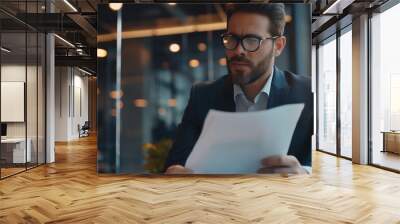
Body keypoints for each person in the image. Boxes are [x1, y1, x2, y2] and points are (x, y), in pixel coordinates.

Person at [164, 3, 312, 174]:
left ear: (278, 46)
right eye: (232, 39)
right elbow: (175, 163)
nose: (238, 50)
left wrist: (304, 173)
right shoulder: (203, 96)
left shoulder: (307, 93)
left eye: (252, 40)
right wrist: (175, 172)